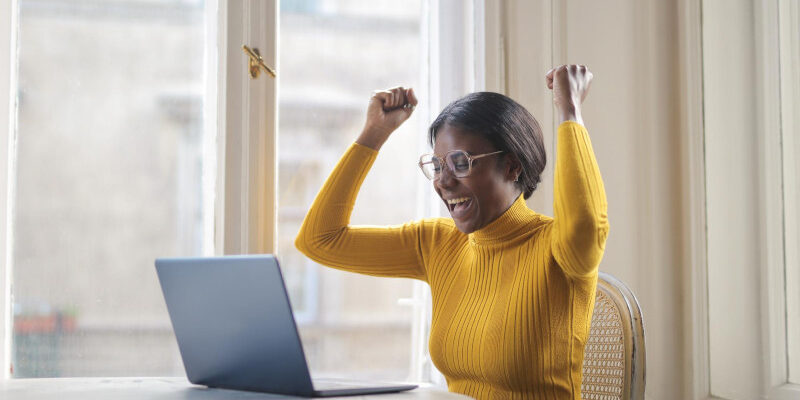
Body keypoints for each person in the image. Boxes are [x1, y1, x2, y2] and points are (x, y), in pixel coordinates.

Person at [295, 65, 609, 400]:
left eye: (461, 163)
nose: (443, 182)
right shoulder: (437, 243)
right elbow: (320, 240)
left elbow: (586, 224)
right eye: (437, 166)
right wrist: (374, 133)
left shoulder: (558, 247)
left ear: (512, 165)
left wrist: (569, 109)